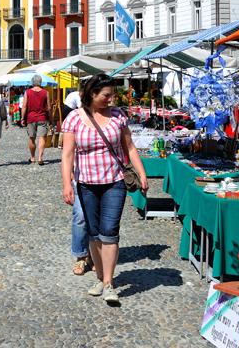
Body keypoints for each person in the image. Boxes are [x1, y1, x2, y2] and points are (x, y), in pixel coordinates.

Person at [60, 74, 149, 305]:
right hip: (86, 183)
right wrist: (66, 184)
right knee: (93, 232)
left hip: (114, 181)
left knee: (109, 231)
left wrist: (141, 172)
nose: (111, 99)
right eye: (106, 95)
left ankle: (109, 283)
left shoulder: (119, 116)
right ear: (92, 94)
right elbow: (67, 154)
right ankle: (100, 277)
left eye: (112, 95)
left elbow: (129, 146)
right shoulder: (74, 119)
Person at [21, 74, 51, 166]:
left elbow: (24, 106)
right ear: (40, 82)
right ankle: (40, 158)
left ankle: (33, 157)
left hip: (31, 118)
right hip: (42, 117)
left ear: (32, 82)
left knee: (31, 138)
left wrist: (22, 118)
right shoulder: (45, 92)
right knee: (42, 137)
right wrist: (50, 118)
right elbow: (49, 107)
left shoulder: (28, 92)